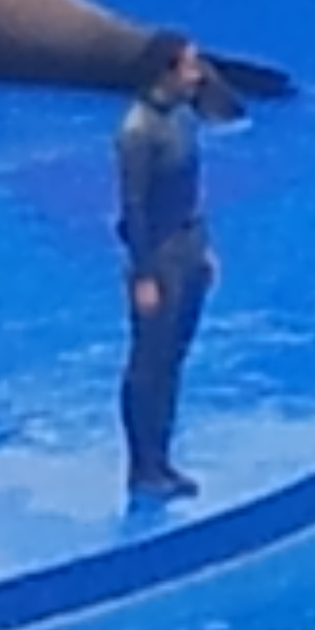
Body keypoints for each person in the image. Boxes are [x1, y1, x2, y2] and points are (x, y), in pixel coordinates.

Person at [114, 30, 213, 502]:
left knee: (173, 359)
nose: (198, 74)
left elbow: (190, 191)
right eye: (189, 65)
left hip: (188, 247)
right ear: (166, 72)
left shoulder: (183, 118)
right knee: (148, 363)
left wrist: (204, 247)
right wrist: (144, 274)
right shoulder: (138, 132)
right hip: (160, 256)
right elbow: (133, 208)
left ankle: (162, 459)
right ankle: (142, 466)